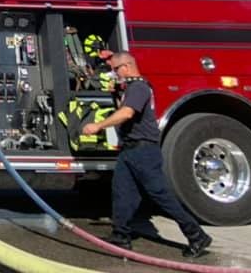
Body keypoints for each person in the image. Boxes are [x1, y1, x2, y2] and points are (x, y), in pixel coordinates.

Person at [81, 51, 212, 258]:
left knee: (160, 195)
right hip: (129, 150)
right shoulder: (130, 88)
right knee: (122, 193)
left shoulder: (139, 87)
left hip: (144, 151)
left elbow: (127, 113)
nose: (114, 74)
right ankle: (121, 236)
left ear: (127, 67)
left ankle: (196, 235)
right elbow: (124, 110)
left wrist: (98, 125)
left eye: (116, 70)